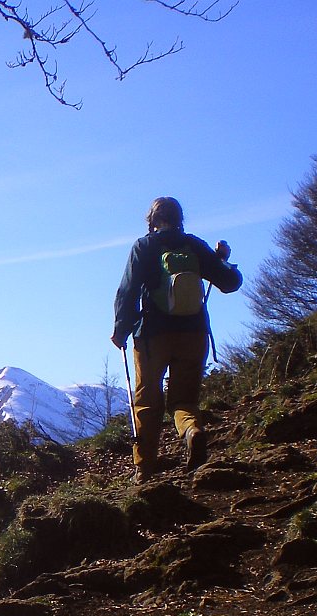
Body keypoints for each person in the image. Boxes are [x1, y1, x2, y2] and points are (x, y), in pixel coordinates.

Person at [112, 197, 242, 483]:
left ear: (152, 220)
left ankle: (144, 469)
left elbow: (127, 291)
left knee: (147, 401)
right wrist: (222, 260)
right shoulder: (194, 245)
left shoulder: (144, 247)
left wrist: (121, 331)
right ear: (180, 218)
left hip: (152, 336)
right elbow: (230, 282)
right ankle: (192, 431)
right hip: (193, 333)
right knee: (184, 398)